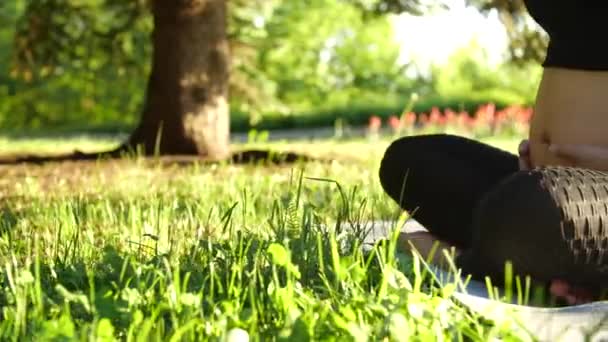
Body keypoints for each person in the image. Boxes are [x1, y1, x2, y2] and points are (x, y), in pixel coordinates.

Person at [380, 0, 608, 305]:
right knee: (410, 162)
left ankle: (465, 262)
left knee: (540, 208)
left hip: (577, 202)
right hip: (547, 184)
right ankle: (545, 266)